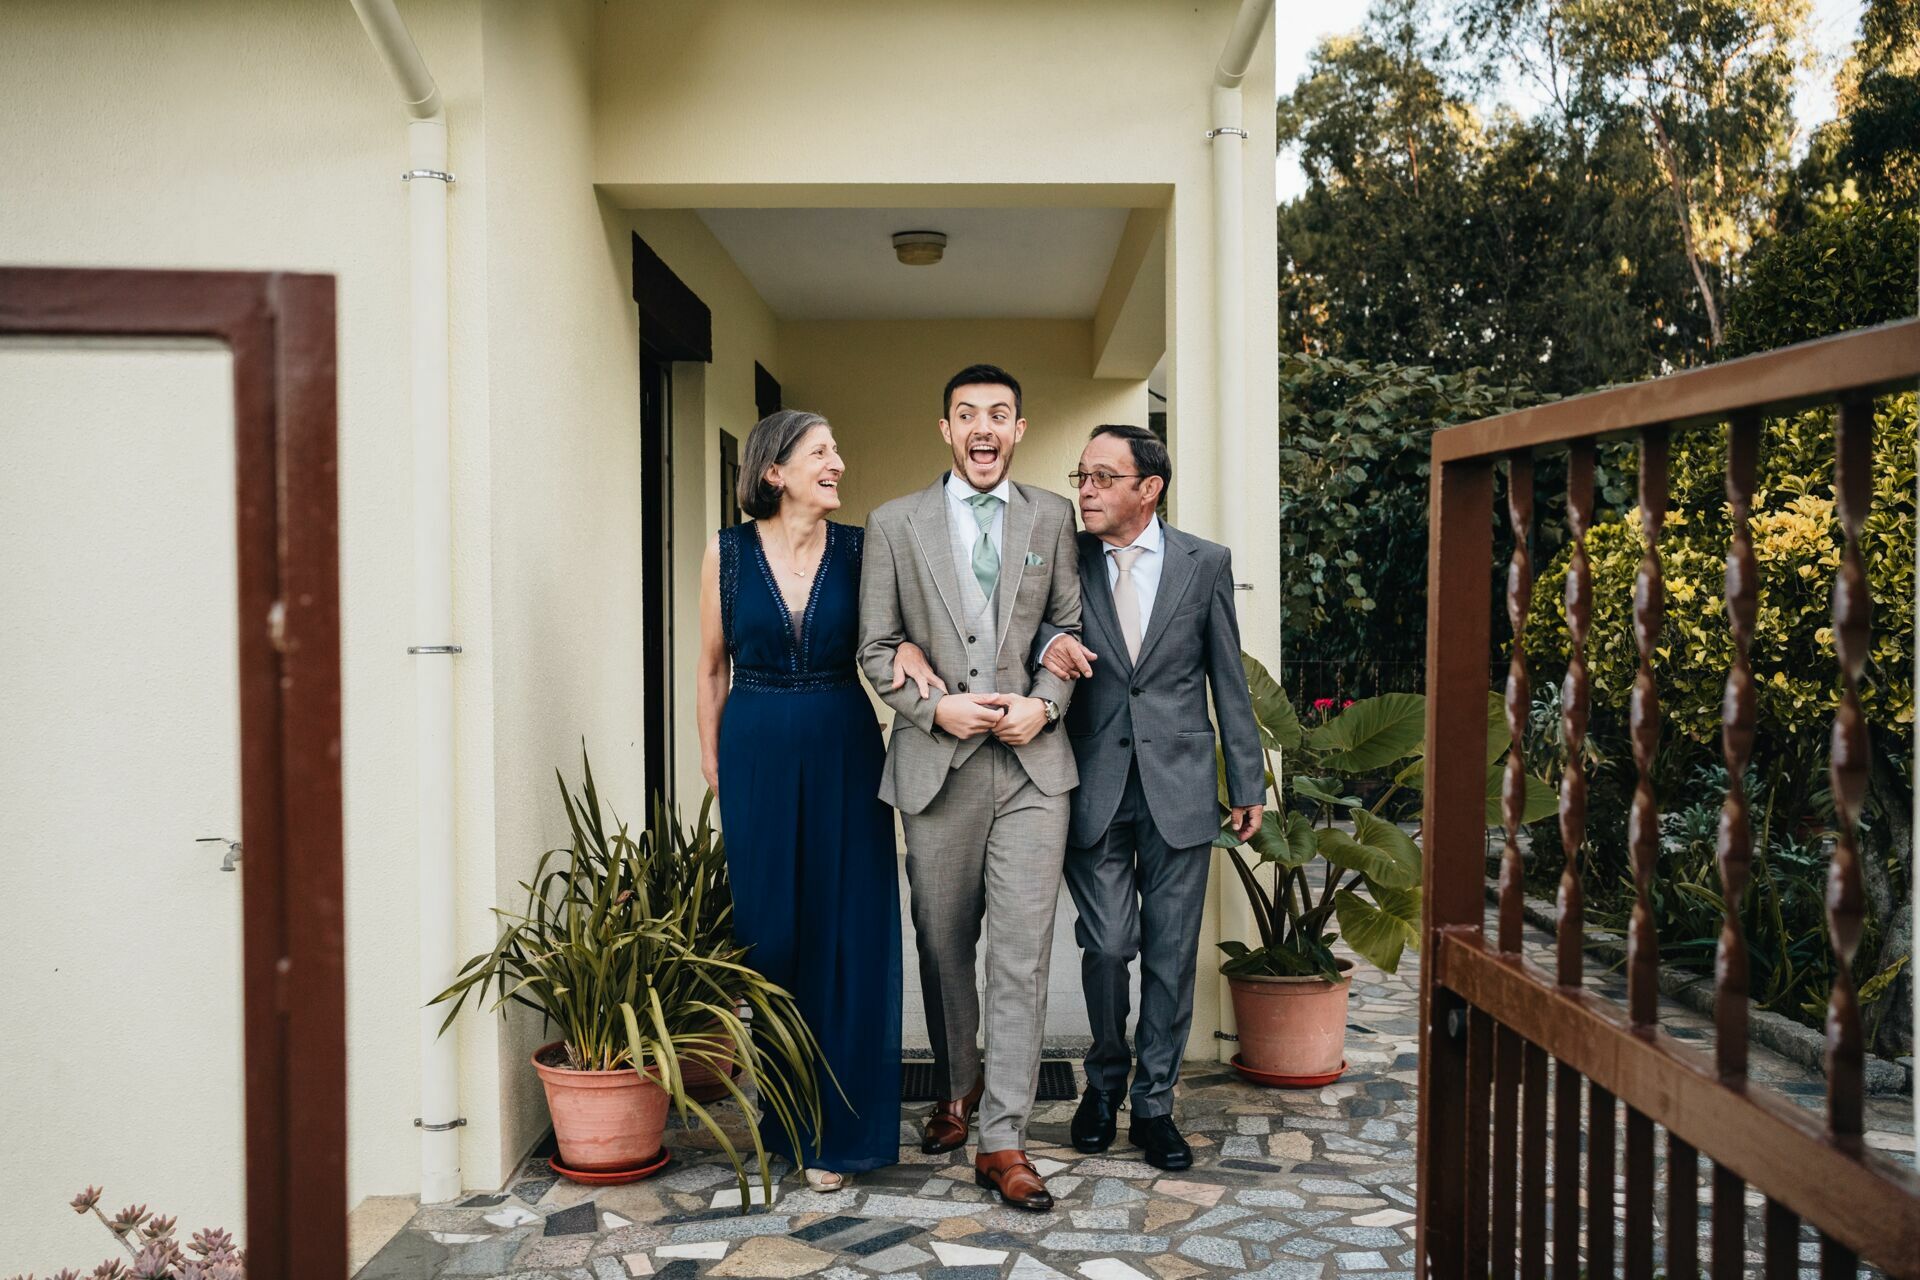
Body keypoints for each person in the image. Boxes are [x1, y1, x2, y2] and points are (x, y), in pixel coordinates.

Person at [856, 364, 1081, 1213]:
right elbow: (876, 645)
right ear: (944, 428)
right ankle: (956, 1088)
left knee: (1019, 956)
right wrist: (934, 706)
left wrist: (1045, 705)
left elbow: (1069, 626)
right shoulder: (892, 524)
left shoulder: (1051, 518)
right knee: (945, 944)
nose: (983, 428)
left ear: (1019, 429)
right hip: (937, 773)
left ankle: (1005, 1139)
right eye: (966, 415)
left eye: (999, 415)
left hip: (1030, 772)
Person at [1034, 424, 1264, 1171]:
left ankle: (1156, 1104)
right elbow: (1025, 621)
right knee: (1106, 947)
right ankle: (1103, 1086)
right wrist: (1045, 645)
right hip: (1093, 782)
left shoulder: (1205, 563)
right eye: (1082, 476)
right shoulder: (1066, 555)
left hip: (1183, 787)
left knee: (1169, 954)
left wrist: (1248, 778)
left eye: (1103, 477)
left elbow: (1226, 674)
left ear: (1148, 488)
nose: (1087, 490)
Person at [696, 409, 915, 1190]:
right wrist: (712, 756)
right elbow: (710, 667)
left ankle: (841, 1136)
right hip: (754, 750)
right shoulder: (724, 553)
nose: (839, 463)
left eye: (836, 449)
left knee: (846, 930)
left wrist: (913, 649)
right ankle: (787, 1118)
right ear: (774, 470)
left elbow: (891, 635)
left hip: (844, 745)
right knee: (773, 933)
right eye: (822, 452)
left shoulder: (863, 547)